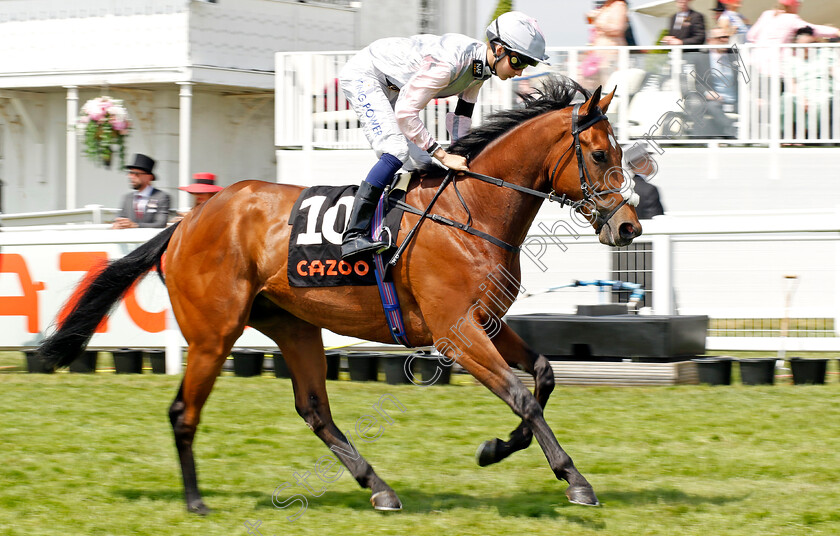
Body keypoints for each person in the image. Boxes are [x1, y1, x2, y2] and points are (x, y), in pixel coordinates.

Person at [337, 11, 549, 259]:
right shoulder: (450, 65)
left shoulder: (480, 70)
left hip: (392, 84)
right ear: (499, 49)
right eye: (519, 62)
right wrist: (443, 155)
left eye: (527, 64)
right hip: (367, 76)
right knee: (396, 150)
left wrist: (462, 156)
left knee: (423, 163)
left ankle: (393, 225)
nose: (520, 72)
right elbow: (406, 113)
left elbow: (461, 120)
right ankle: (353, 235)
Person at [112, 153, 171, 229]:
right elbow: (120, 218)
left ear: (149, 177)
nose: (131, 177)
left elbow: (160, 224)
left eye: (136, 174)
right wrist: (117, 224)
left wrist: (135, 225)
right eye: (130, 173)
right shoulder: (127, 198)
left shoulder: (161, 197)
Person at [747, 0, 840, 45]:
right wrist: (836, 31)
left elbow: (751, 36)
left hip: (756, 65)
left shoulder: (767, 14)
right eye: (798, 2)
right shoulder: (791, 18)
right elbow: (813, 29)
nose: (800, 5)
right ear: (793, 5)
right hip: (777, 67)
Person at [624, 143, 664, 220]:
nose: (652, 161)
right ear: (643, 163)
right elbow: (656, 221)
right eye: (649, 159)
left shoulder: (625, 188)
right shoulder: (649, 190)